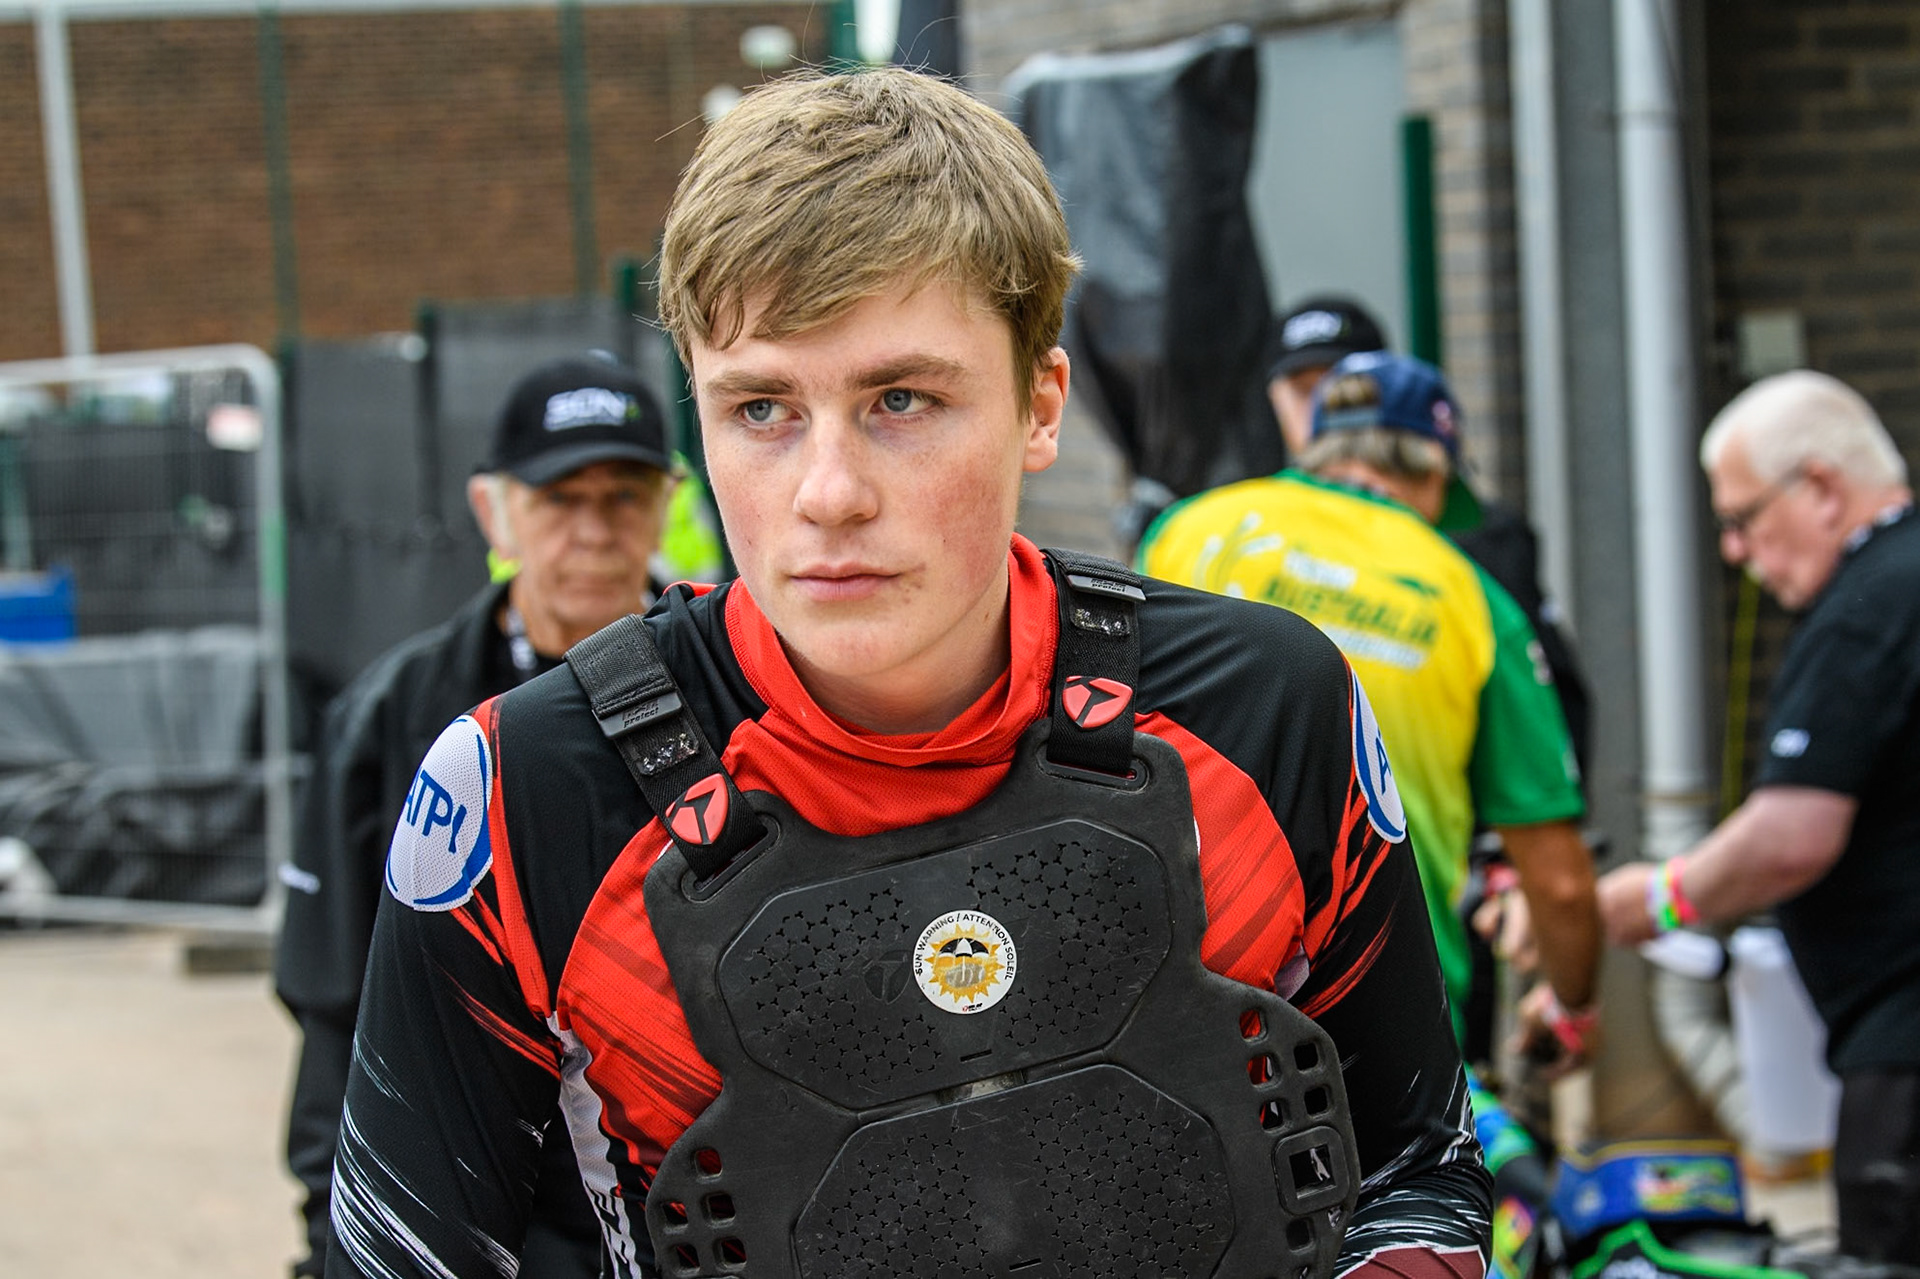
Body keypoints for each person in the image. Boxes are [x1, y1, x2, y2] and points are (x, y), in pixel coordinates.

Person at [325, 69, 1490, 1279]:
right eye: (763, 408)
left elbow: (1419, 1174)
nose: (829, 492)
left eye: (901, 399)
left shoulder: (1265, 707)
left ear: (1040, 405)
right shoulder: (525, 791)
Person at [275, 353, 679, 1279]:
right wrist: (331, 1239)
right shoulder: (396, 714)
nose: (593, 529)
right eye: (558, 498)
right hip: (488, 1216)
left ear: (663, 505)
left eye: (623, 494)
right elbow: (337, 1002)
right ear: (494, 511)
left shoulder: (736, 692)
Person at [1138, 350, 1600, 1070]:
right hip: (1386, 1014)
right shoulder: (1472, 597)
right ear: (1435, 474)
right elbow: (1562, 881)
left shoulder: (1187, 530)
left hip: (1176, 983)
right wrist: (1574, 1007)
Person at [1596, 369, 1920, 1267]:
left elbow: (1790, 838)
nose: (1737, 549)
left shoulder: (1869, 605)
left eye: (1743, 518)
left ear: (1820, 487)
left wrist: (1655, 898)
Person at [1264, 296, 1592, 781]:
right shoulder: (1242, 527)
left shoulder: (1483, 541)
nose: (1325, 404)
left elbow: (1548, 700)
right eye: (1302, 389)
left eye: (1339, 385)